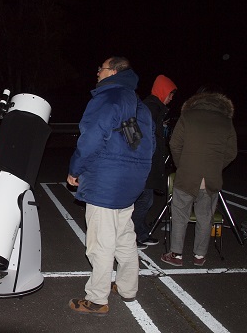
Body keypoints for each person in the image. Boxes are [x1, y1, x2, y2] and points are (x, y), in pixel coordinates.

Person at [67, 57, 155, 316]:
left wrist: (75, 169)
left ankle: (96, 299)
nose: (97, 73)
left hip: (105, 181)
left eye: (101, 69)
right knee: (125, 237)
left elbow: (92, 137)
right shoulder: (141, 105)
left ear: (114, 72)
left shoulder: (108, 97)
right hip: (131, 181)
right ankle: (128, 288)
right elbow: (150, 145)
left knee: (100, 242)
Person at [161, 87, 237, 267]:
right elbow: (231, 152)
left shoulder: (188, 116)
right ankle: (199, 256)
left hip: (187, 174)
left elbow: (174, 144)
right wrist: (217, 165)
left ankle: (176, 255)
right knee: (205, 217)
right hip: (211, 178)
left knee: (180, 214)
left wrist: (182, 164)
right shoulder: (226, 121)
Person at [133, 75, 177, 249]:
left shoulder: (155, 108)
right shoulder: (150, 108)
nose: (171, 98)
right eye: (171, 94)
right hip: (146, 163)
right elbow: (143, 139)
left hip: (149, 162)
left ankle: (142, 233)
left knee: (145, 200)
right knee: (144, 200)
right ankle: (135, 236)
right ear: (163, 91)